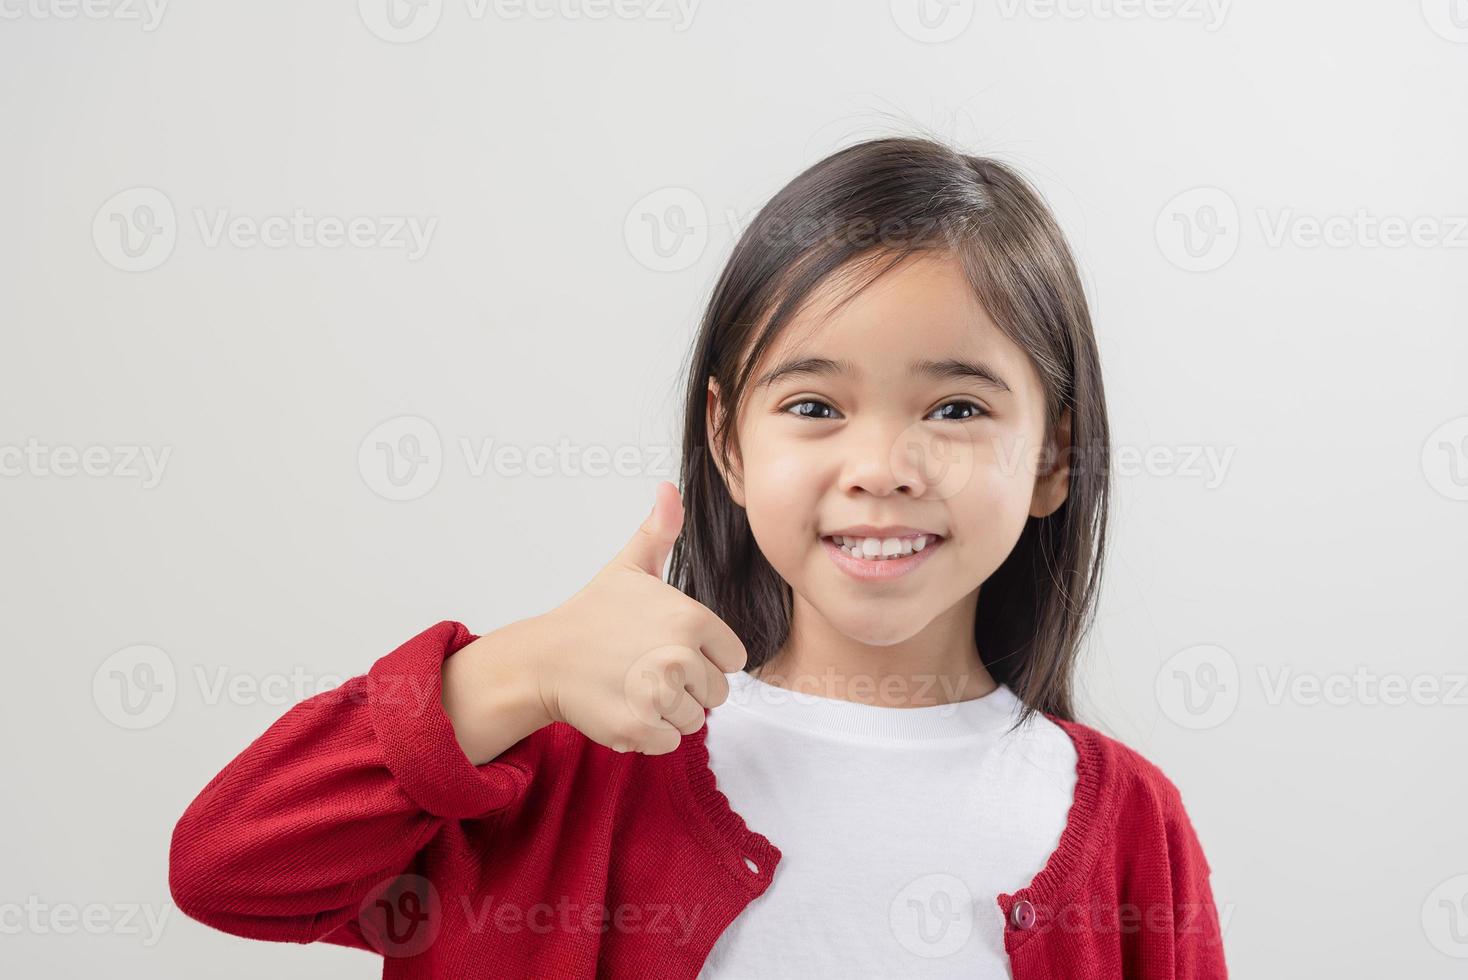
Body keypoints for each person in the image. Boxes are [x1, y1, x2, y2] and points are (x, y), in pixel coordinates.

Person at [169, 135, 1228, 978]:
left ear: (1054, 456)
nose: (881, 465)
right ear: (727, 439)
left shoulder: (1131, 825)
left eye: (955, 406)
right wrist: (518, 670)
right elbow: (228, 866)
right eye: (813, 404)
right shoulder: (566, 767)